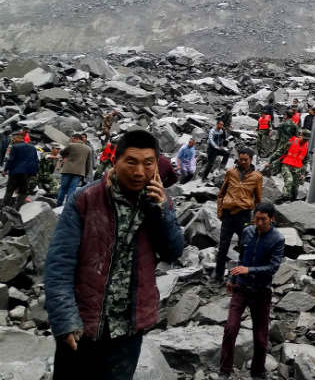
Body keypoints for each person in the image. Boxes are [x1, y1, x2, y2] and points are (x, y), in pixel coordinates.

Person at [45, 130, 184, 379]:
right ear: (114, 161)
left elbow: (173, 252)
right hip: (82, 326)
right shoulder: (85, 199)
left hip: (128, 332)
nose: (139, 171)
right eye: (131, 162)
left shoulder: (159, 201)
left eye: (147, 163)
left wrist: (162, 211)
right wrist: (65, 319)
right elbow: (59, 264)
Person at [219, 203, 284, 379]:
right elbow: (241, 258)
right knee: (230, 328)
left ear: (272, 219)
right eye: (257, 218)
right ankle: (225, 370)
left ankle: (257, 372)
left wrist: (250, 270)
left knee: (261, 337)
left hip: (261, 291)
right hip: (241, 287)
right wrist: (232, 279)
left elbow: (273, 267)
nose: (260, 222)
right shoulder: (247, 232)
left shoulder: (277, 239)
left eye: (264, 219)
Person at [215, 148, 263, 282]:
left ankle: (240, 278)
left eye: (245, 160)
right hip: (228, 214)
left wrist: (255, 219)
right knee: (223, 246)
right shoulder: (231, 172)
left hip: (244, 215)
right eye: (240, 159)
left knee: (245, 247)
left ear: (251, 160)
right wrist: (220, 211)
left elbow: (258, 200)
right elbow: (221, 193)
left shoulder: (257, 177)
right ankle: (218, 276)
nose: (242, 162)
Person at [271, 130, 310, 201]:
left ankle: (292, 202)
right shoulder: (291, 142)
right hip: (286, 165)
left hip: (297, 168)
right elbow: (280, 151)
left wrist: (303, 173)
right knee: (289, 180)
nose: (305, 141)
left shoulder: (307, 146)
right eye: (304, 139)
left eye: (307, 139)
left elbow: (305, 161)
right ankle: (284, 197)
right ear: (300, 136)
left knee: (295, 188)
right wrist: (271, 160)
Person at [3, 133, 38, 208]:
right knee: (23, 191)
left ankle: (4, 207)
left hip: (15, 172)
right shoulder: (32, 147)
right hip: (27, 173)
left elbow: (10, 160)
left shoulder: (15, 147)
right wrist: (34, 173)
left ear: (19, 138)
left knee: (10, 190)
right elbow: (35, 161)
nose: (13, 140)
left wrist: (5, 170)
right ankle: (18, 207)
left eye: (14, 139)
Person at [57, 134, 93, 207]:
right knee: (72, 189)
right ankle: (67, 206)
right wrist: (85, 174)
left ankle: (58, 204)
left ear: (77, 138)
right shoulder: (88, 149)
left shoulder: (71, 145)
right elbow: (88, 163)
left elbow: (62, 153)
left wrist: (65, 156)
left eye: (73, 138)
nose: (71, 140)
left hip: (67, 170)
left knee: (63, 188)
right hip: (79, 172)